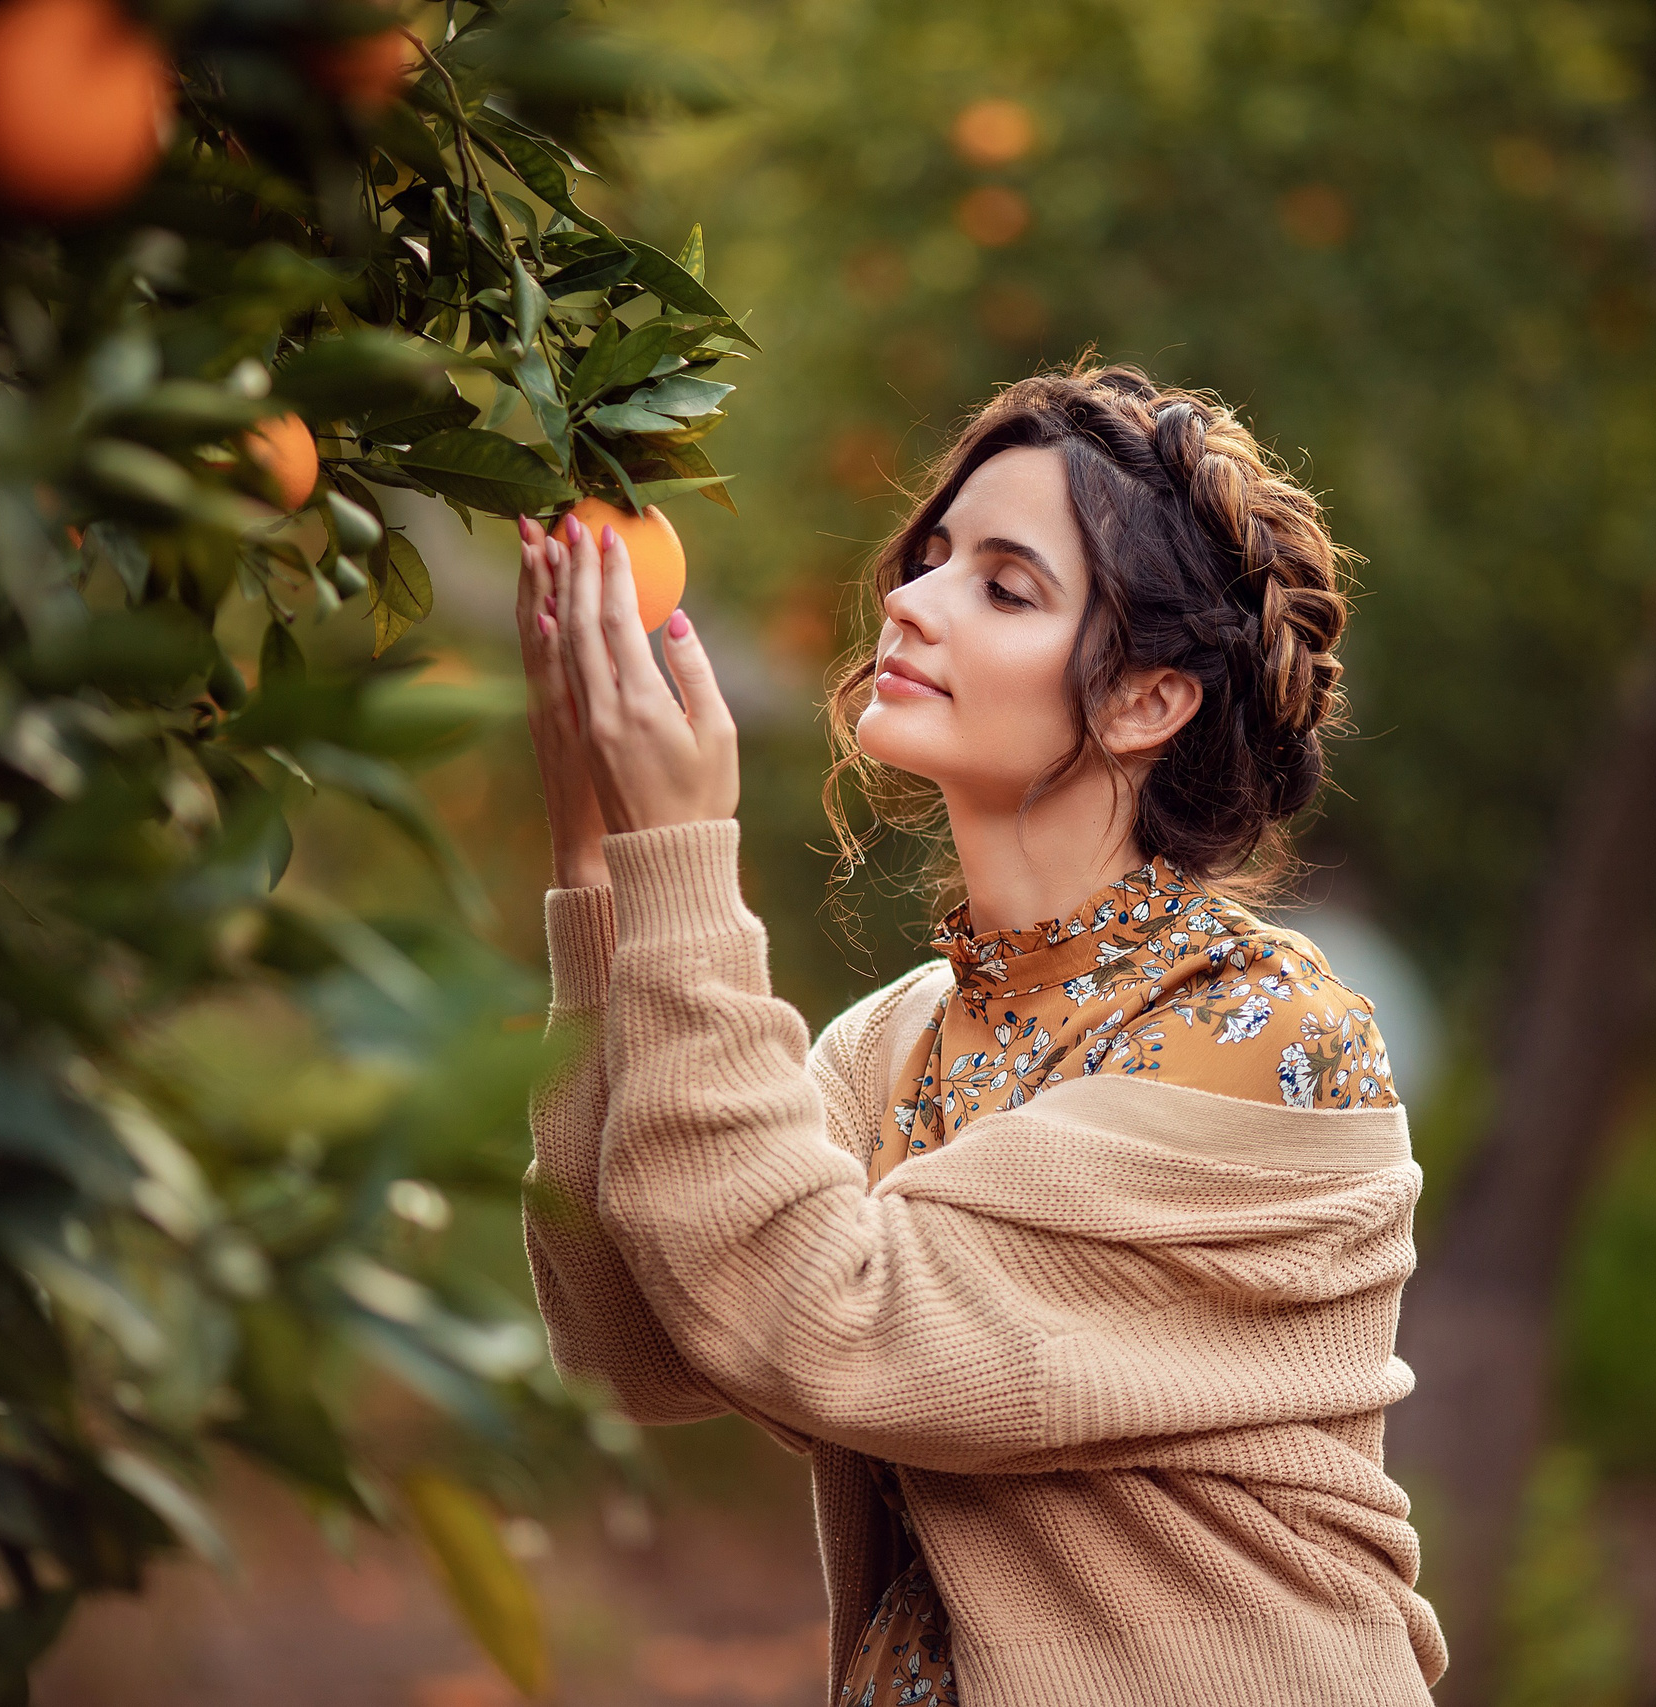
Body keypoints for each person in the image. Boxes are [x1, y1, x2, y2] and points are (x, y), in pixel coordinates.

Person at [517, 362, 1445, 1706]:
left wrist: (682, 853)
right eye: (933, 558)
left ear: (1148, 699)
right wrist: (595, 864)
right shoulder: (896, 1045)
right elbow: (641, 1342)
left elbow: (833, 1313)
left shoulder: (1274, 1042)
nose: (907, 600)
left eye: (1005, 588)